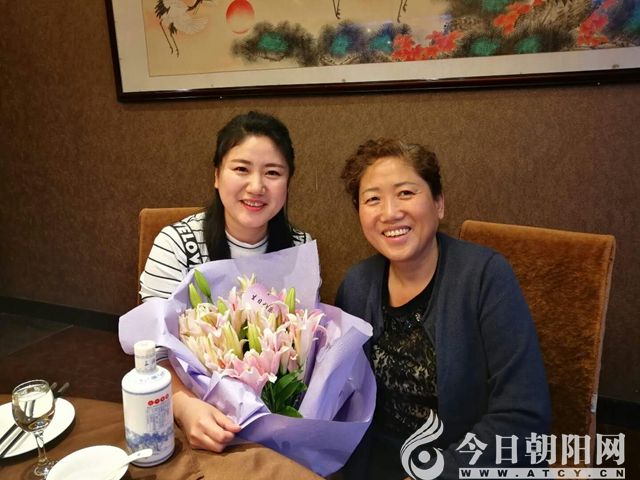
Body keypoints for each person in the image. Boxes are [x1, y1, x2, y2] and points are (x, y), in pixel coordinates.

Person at [335, 138, 550, 479]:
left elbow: (523, 415)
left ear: (438, 204)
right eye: (373, 199)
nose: (390, 212)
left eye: (406, 193)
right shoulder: (356, 285)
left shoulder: (484, 276)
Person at [139, 111, 311, 453]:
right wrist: (186, 408)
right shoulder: (176, 245)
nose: (256, 186)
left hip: (278, 420)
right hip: (197, 416)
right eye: (241, 169)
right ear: (217, 175)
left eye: (273, 173)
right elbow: (153, 354)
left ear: (288, 182)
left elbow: (304, 351)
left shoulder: (300, 248)